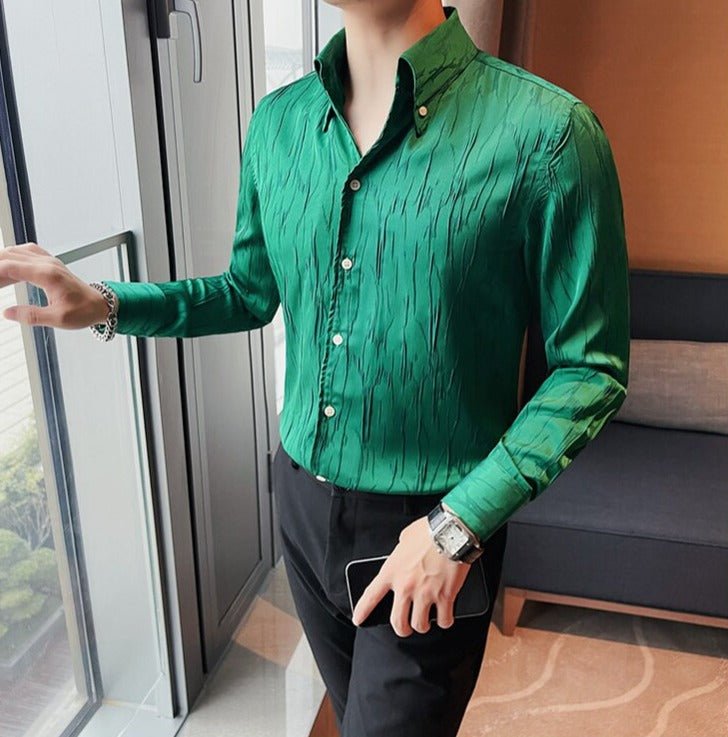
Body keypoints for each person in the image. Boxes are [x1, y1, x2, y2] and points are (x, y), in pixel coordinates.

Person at [0, 1, 630, 735]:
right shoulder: (278, 124)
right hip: (301, 502)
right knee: (351, 709)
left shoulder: (549, 134)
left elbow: (589, 368)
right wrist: (106, 303)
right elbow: (247, 292)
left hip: (434, 522)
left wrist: (456, 527)